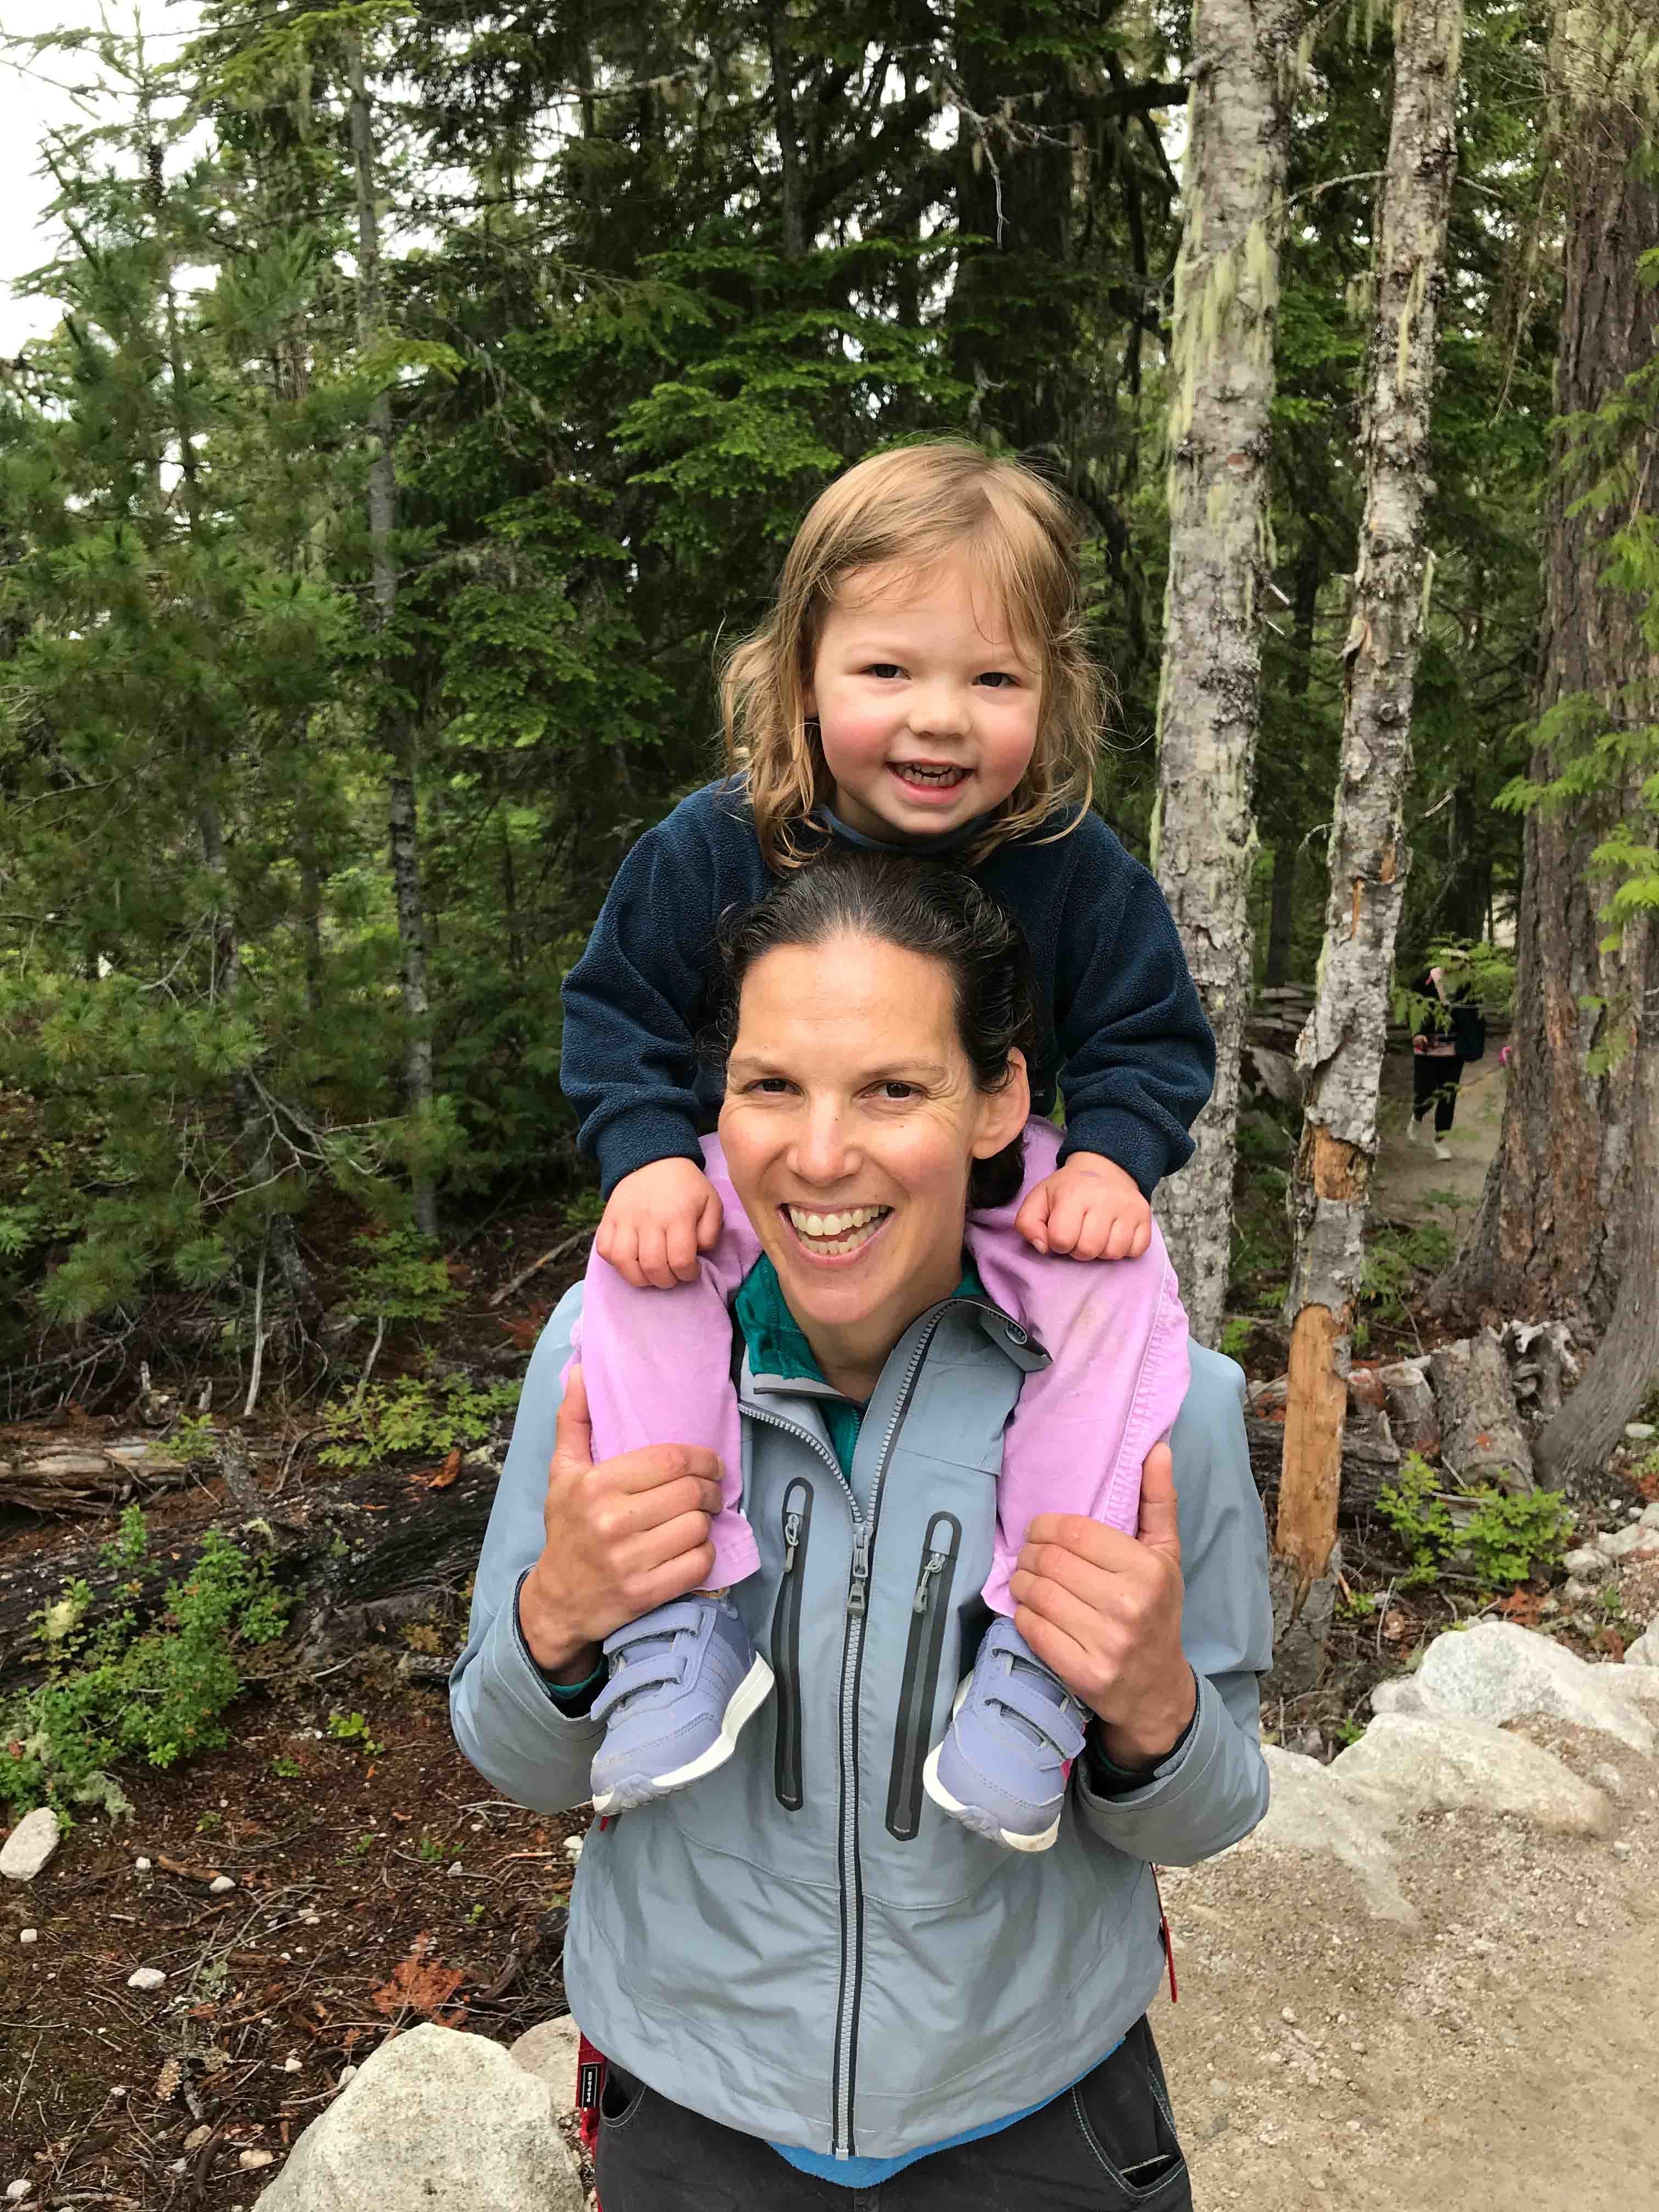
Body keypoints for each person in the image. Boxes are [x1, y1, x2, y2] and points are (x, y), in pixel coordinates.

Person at [450, 857, 1271, 2203]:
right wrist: (556, 1625)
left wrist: (1153, 1711)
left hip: (1040, 2119)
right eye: (772, 1086)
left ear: (1000, 1100)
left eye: (894, 1089)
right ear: (716, 1101)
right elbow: (512, 1758)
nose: (821, 1153)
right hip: (693, 2116)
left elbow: (1214, 1811)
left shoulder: (1163, 1406)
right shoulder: (600, 1361)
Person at [556, 441, 1215, 1844]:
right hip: (753, 1180)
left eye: (994, 681)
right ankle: (672, 1618)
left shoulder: (1075, 866)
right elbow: (616, 1011)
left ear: (1054, 695)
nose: (940, 720)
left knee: (1116, 1288)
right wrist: (647, 1151)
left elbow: (1152, 1033)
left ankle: (1042, 1649)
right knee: (640, 1267)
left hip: (995, 1188)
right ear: (801, 672)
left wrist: (1112, 1157)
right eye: (888, 671)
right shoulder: (714, 844)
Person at [1407, 961, 1471, 1161]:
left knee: (1448, 1095)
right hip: (1427, 1046)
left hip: (1454, 1050)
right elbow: (1412, 1006)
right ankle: (1418, 1115)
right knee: (1425, 1092)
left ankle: (1441, 1141)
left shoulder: (1467, 984)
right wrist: (1416, 1032)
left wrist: (1471, 1044)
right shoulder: (1424, 979)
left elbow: (1475, 1015)